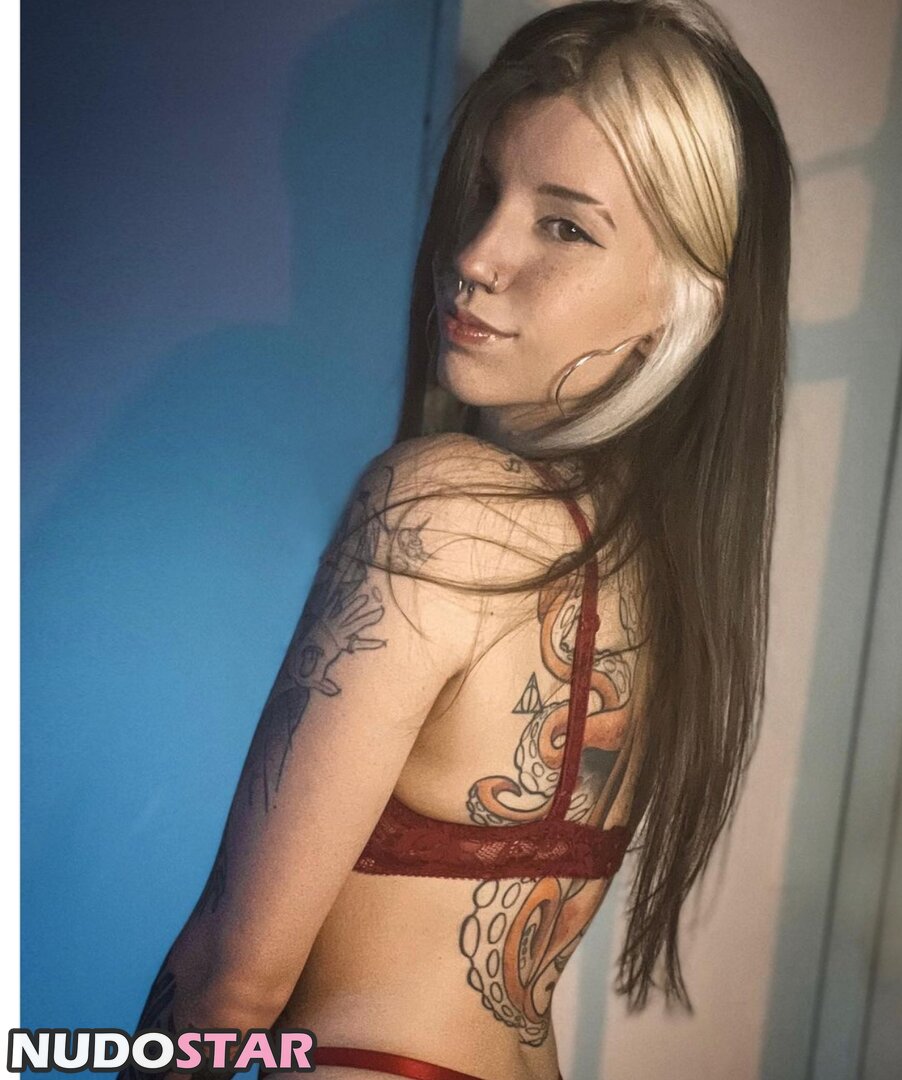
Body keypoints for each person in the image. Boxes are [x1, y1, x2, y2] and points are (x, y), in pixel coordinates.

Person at [119, 1, 794, 1078]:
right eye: (483, 192)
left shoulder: (439, 508)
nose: (475, 255)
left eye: (563, 227)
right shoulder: (670, 583)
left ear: (676, 307)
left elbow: (233, 980)